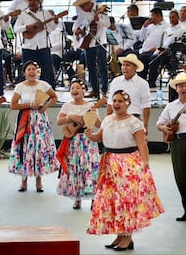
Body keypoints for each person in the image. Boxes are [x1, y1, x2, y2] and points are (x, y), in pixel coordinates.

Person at [85, 90, 164, 251]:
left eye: (120, 101)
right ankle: (120, 235)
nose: (116, 104)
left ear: (127, 103)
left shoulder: (134, 122)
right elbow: (100, 137)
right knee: (113, 201)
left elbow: (142, 144)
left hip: (128, 164)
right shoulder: (107, 120)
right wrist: (90, 135)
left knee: (126, 201)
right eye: (114, 101)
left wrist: (145, 164)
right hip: (109, 163)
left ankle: (127, 237)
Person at [8, 60, 59, 192]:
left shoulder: (43, 84)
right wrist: (29, 106)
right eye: (29, 69)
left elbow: (54, 97)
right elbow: (13, 105)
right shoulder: (20, 86)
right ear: (24, 72)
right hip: (25, 119)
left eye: (33, 69)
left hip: (40, 120)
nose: (31, 71)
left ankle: (38, 179)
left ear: (37, 71)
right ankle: (23, 180)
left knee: (38, 148)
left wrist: (45, 106)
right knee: (25, 147)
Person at [56, 79, 100, 209]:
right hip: (73, 141)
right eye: (72, 88)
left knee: (90, 167)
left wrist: (93, 115)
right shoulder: (67, 106)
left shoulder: (90, 105)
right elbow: (59, 121)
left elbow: (99, 125)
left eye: (78, 87)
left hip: (88, 140)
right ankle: (77, 197)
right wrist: (70, 117)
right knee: (75, 166)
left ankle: (93, 198)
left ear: (84, 90)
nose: (74, 90)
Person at [157, 72, 186, 221]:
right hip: (179, 142)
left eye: (185, 85)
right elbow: (159, 124)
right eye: (180, 85)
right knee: (181, 177)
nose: (183, 88)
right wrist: (164, 129)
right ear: (176, 88)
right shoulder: (171, 106)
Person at [14, 0, 59, 89]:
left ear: (39, 2)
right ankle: (26, 91)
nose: (32, 2)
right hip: (28, 47)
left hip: (43, 46)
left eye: (34, 0)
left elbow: (51, 28)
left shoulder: (45, 13)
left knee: (47, 71)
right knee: (26, 70)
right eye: (30, 0)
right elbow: (16, 29)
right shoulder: (23, 15)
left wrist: (55, 22)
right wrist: (26, 27)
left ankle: (48, 92)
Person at [73, 0, 110, 98]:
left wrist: (98, 20)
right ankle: (94, 90)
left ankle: (105, 90)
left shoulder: (100, 9)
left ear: (87, 4)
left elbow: (107, 24)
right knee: (91, 67)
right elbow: (77, 23)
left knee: (102, 67)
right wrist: (77, 29)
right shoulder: (82, 12)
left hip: (99, 41)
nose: (81, 9)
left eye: (82, 6)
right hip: (87, 42)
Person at [107, 54, 151, 133]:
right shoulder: (115, 81)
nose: (124, 67)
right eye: (123, 65)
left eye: (128, 65)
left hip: (135, 119)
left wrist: (146, 125)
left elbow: (146, 105)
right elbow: (110, 103)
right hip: (117, 118)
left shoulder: (142, 83)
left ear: (135, 67)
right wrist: (107, 121)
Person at [147, 10, 185, 88]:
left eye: (173, 17)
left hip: (173, 54)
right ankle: (144, 79)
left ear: (178, 17)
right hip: (162, 51)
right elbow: (163, 42)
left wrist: (168, 50)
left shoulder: (182, 30)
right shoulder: (168, 29)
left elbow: (180, 45)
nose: (171, 19)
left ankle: (151, 82)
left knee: (154, 58)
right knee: (146, 57)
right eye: (170, 17)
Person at [136, 7, 169, 88]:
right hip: (144, 49)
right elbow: (142, 38)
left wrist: (158, 47)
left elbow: (166, 40)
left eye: (152, 15)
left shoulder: (166, 26)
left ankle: (150, 82)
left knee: (145, 57)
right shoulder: (150, 26)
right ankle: (141, 81)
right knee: (131, 54)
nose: (151, 18)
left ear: (158, 16)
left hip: (156, 51)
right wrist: (144, 27)